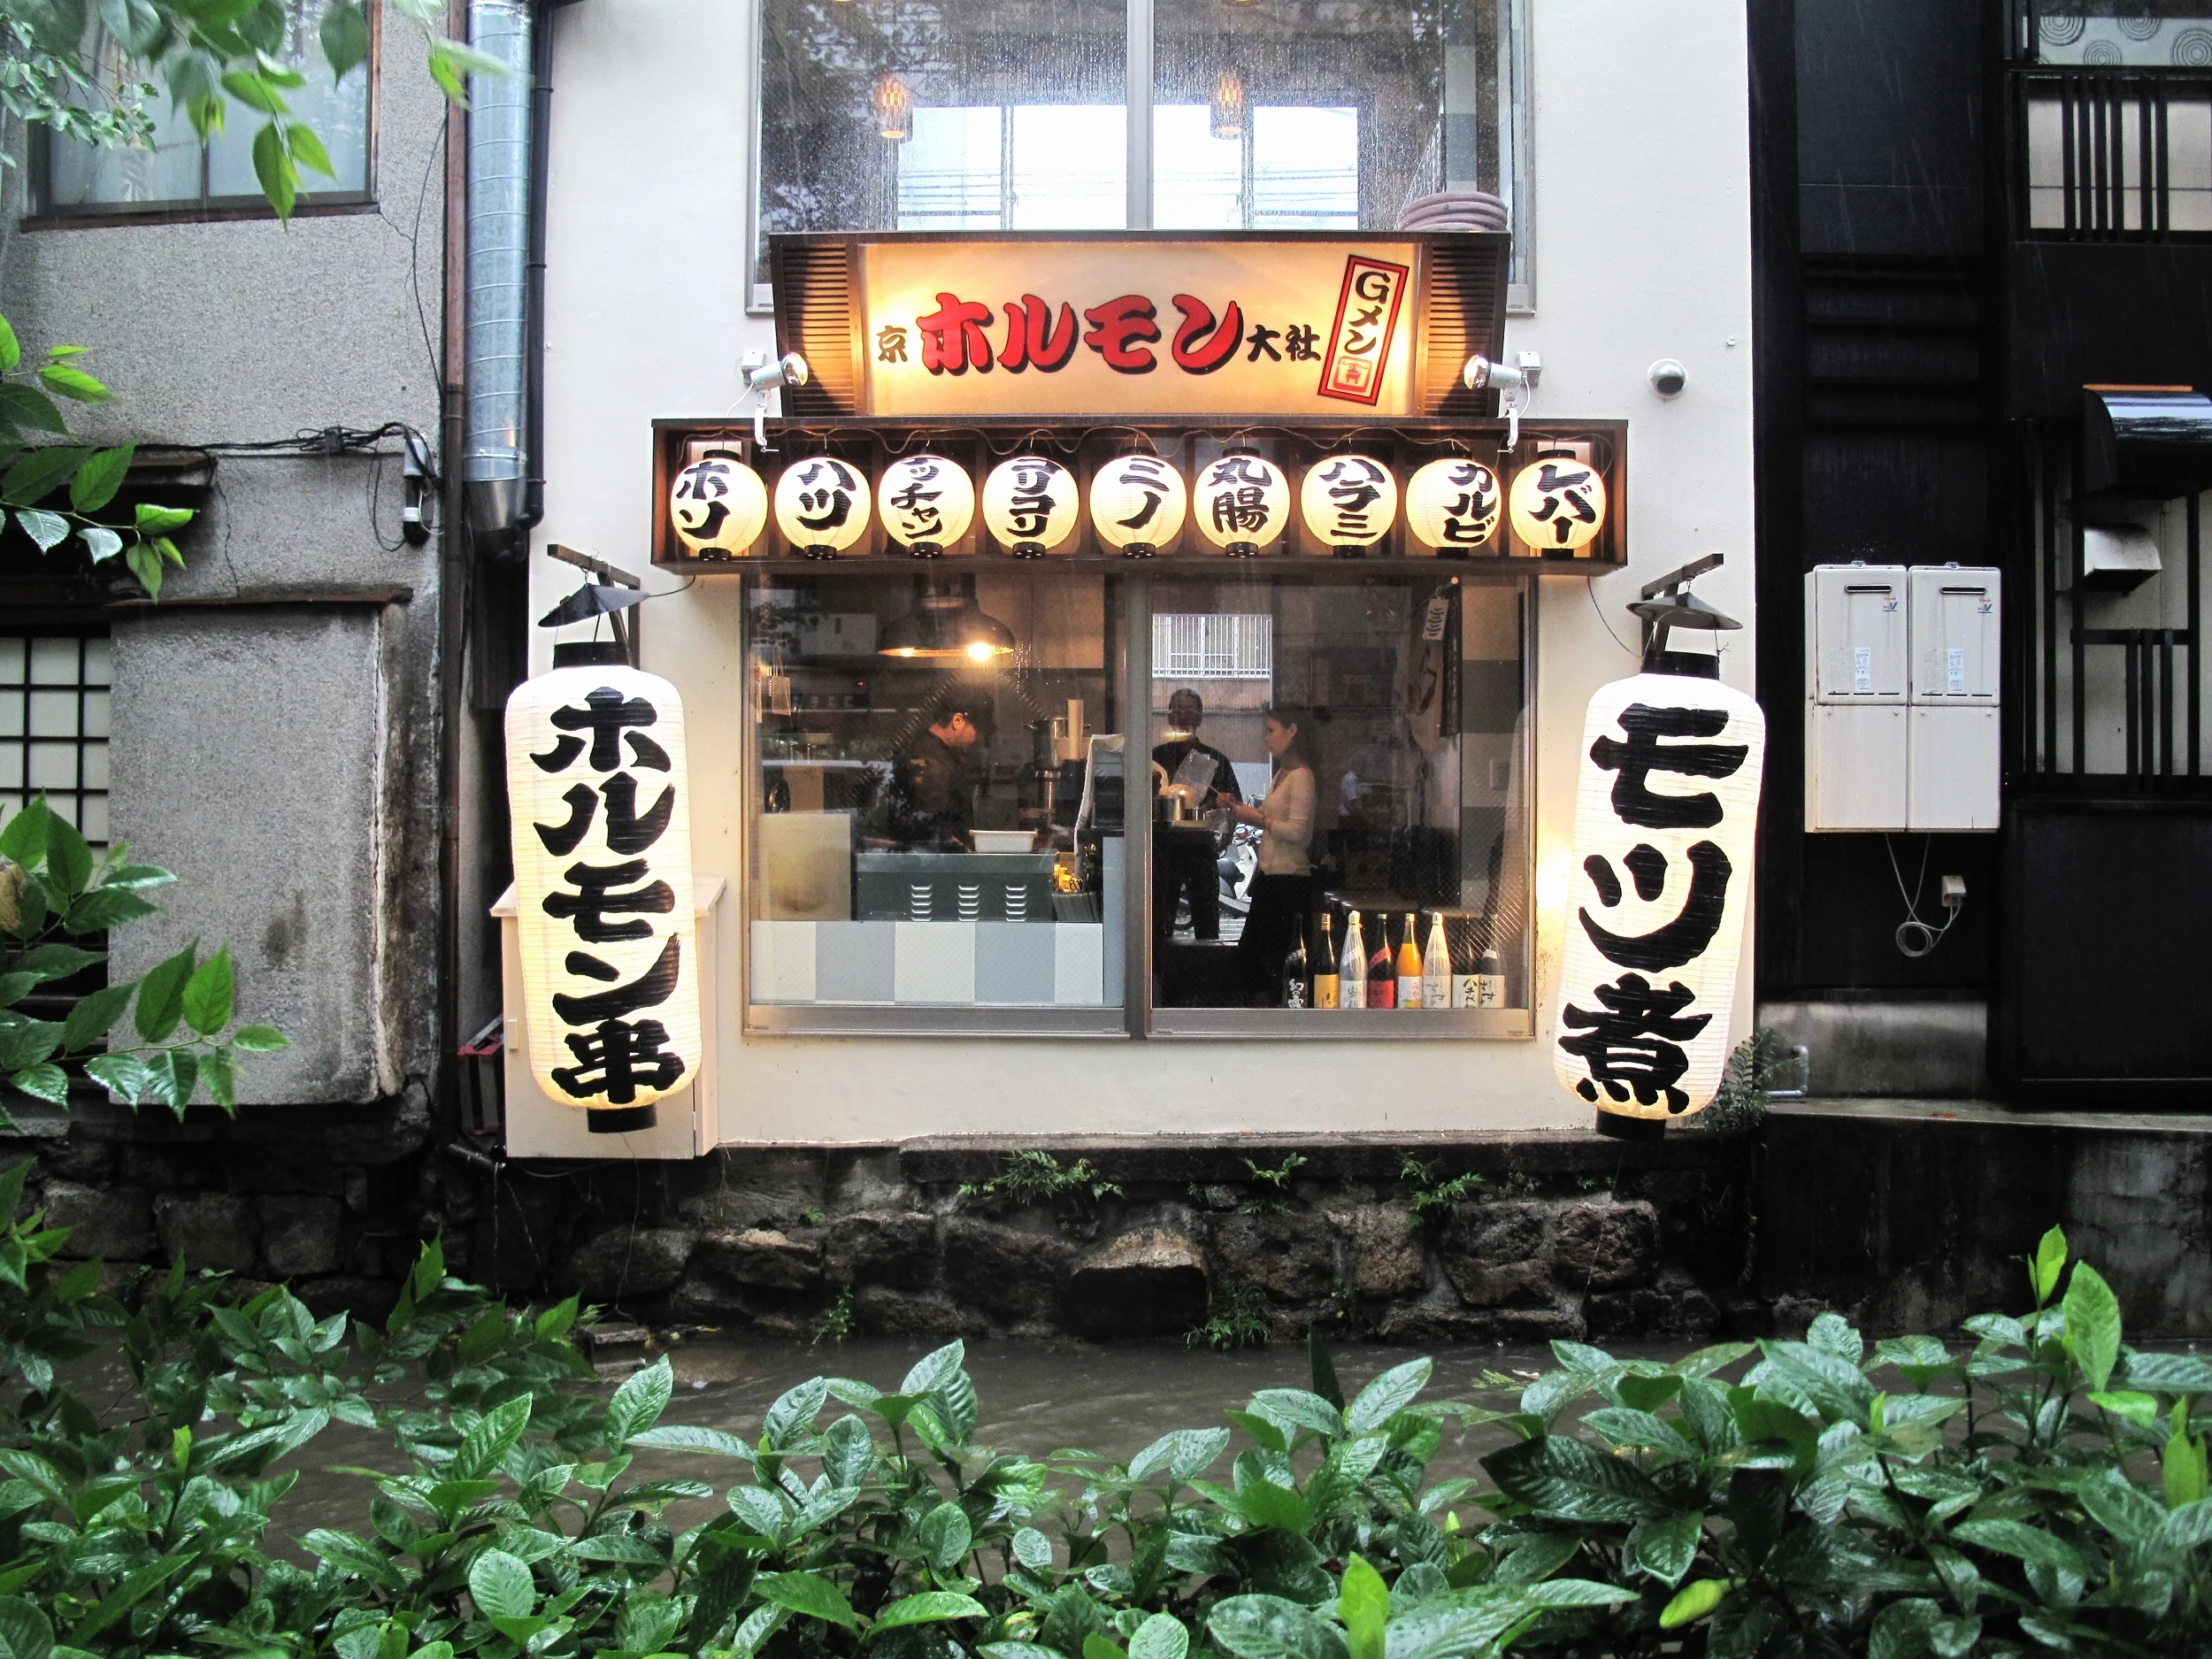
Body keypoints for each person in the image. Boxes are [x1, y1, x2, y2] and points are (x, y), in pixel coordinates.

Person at [1218, 707, 1318, 1001]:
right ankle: (1265, 1017)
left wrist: (1259, 821)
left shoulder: (1302, 777)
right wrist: (1236, 807)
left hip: (1289, 881)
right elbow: (1266, 816)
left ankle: (1273, 1018)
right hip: (1270, 877)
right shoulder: (1282, 774)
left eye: (1272, 730)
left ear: (1292, 731)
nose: (1266, 738)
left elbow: (1299, 834)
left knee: (1267, 959)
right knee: (1254, 957)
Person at [1151, 688, 1244, 941]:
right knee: (1159, 925)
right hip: (1162, 851)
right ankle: (1157, 976)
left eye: (1191, 710)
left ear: (1200, 716)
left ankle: (1207, 976)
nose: (1185, 716)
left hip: (1201, 852)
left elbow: (1233, 806)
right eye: (1179, 709)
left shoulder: (1215, 760)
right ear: (1170, 716)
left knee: (1207, 924)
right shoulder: (1154, 758)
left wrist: (1221, 806)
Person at [887, 694, 990, 849]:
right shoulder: (929, 757)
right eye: (978, 730)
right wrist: (960, 850)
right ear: (957, 721)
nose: (979, 739)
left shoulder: (939, 752)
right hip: (936, 863)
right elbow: (927, 823)